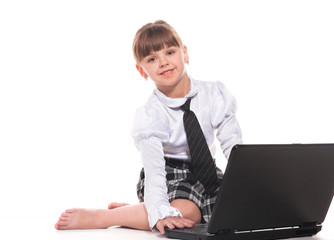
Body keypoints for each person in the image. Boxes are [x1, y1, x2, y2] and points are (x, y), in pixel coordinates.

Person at [54, 20, 242, 235]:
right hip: (168, 173)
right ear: (142, 71)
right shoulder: (151, 115)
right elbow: (154, 170)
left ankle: (136, 213)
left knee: (233, 211)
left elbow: (233, 145)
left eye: (170, 52)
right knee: (187, 213)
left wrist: (247, 181)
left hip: (206, 171)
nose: (163, 62)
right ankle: (105, 217)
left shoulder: (215, 95)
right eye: (152, 59)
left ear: (185, 54)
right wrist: (161, 212)